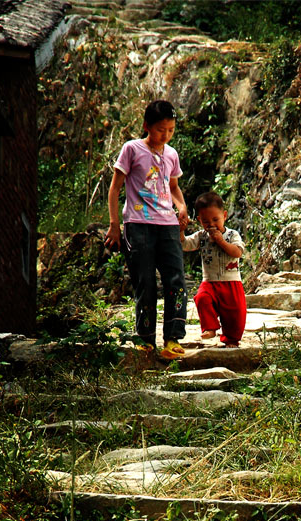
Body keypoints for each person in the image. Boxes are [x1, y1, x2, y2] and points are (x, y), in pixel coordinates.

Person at [104, 100, 188, 359]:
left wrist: (182, 206)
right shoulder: (132, 149)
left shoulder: (171, 154)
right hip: (137, 226)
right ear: (147, 126)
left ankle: (173, 339)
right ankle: (146, 340)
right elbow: (115, 188)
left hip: (167, 226)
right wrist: (114, 225)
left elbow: (172, 186)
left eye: (171, 130)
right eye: (161, 129)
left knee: (177, 280)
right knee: (145, 283)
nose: (166, 135)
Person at [181, 191, 246, 348]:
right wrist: (181, 230)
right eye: (205, 221)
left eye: (215, 219)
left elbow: (237, 252)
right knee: (201, 298)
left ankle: (231, 339)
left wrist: (220, 241)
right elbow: (185, 245)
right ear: (199, 220)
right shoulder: (201, 236)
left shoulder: (232, 234)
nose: (211, 224)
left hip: (231, 282)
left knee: (235, 315)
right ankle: (210, 327)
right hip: (209, 282)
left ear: (224, 215)